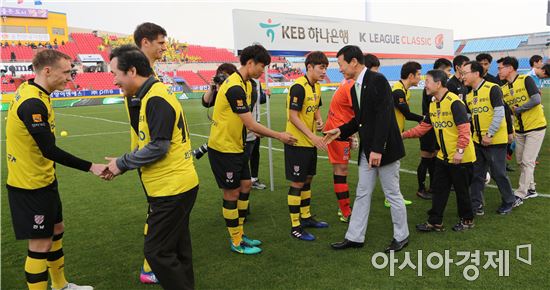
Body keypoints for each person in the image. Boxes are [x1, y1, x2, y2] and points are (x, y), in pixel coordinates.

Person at [6, 49, 108, 290]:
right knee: (40, 245)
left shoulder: (35, 91)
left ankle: (60, 285)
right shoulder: (32, 103)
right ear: (47, 71)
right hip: (30, 186)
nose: (70, 78)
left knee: (56, 229)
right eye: (66, 72)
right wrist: (91, 167)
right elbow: (49, 150)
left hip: (43, 180)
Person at [105, 45, 199, 290]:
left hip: (172, 188)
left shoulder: (156, 97)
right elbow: (150, 143)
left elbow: (159, 147)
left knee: (156, 251)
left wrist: (123, 162)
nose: (114, 80)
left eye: (116, 73)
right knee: (178, 247)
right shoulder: (149, 95)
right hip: (171, 186)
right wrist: (122, 165)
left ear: (132, 70)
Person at [207, 44, 296, 254]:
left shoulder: (247, 84)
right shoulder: (235, 86)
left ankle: (239, 231)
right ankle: (236, 241)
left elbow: (245, 119)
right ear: (250, 63)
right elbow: (251, 124)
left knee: (246, 184)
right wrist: (279, 135)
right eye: (262, 67)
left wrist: (252, 130)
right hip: (223, 148)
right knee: (231, 193)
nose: (263, 71)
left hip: (237, 146)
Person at [326, 45, 409, 253]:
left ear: (353, 62)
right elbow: (361, 120)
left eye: (341, 64)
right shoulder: (354, 85)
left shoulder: (377, 80)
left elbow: (384, 116)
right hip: (368, 151)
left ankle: (402, 236)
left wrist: (378, 149)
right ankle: (354, 237)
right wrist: (340, 130)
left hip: (384, 150)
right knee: (362, 193)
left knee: (392, 194)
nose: (340, 69)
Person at [402, 69, 476, 232]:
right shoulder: (433, 103)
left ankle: (467, 220)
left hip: (461, 157)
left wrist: (460, 151)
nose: (424, 85)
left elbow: (464, 130)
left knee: (462, 191)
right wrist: (403, 135)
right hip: (443, 156)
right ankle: (435, 221)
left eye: (427, 81)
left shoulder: (454, 102)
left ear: (438, 83)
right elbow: (423, 128)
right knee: (439, 189)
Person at [130, 22, 169, 284]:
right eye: (161, 43)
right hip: (149, 153)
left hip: (153, 151)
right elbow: (137, 119)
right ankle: (149, 266)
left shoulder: (149, 72)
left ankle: (158, 258)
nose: (165, 47)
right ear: (145, 42)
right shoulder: (136, 73)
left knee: (160, 209)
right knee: (157, 210)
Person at [462, 61, 517, 215]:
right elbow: (469, 116)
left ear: (476, 74)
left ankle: (509, 200)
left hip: (494, 141)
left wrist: (489, 134)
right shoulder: (469, 95)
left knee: (498, 173)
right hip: (477, 141)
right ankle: (476, 205)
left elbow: (499, 113)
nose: (463, 76)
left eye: (465, 72)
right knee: (477, 174)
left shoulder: (493, 88)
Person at [285, 51, 330, 241]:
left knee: (308, 179)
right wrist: (312, 136)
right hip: (297, 143)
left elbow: (316, 108)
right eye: (321, 67)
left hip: (310, 143)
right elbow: (293, 116)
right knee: (297, 183)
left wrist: (319, 121)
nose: (324, 71)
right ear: (309, 67)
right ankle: (295, 226)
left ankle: (306, 217)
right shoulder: (298, 87)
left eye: (326, 68)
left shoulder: (316, 87)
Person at [498, 56, 546, 202]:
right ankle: (531, 188)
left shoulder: (526, 80)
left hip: (535, 127)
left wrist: (520, 109)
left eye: (501, 68)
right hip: (519, 129)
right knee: (520, 161)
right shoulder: (503, 88)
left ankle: (520, 193)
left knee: (527, 161)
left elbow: (536, 99)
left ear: (510, 68)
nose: (499, 71)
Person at [416, 58, 452, 200]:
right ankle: (421, 188)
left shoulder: (443, 92)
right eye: (448, 70)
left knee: (434, 159)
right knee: (426, 159)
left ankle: (433, 186)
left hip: (436, 127)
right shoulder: (431, 90)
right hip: (429, 127)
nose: (449, 74)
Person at [390, 61, 423, 207]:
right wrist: (424, 119)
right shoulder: (397, 91)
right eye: (419, 75)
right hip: (391, 134)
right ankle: (391, 197)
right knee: (392, 167)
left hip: (396, 133)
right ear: (411, 76)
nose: (420, 78)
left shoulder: (405, 91)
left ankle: (390, 196)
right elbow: (407, 114)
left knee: (391, 167)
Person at [324, 78, 356, 223]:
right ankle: (345, 211)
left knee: (342, 169)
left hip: (342, 128)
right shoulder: (352, 85)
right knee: (341, 170)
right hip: (338, 131)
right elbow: (359, 110)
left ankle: (343, 208)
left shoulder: (347, 83)